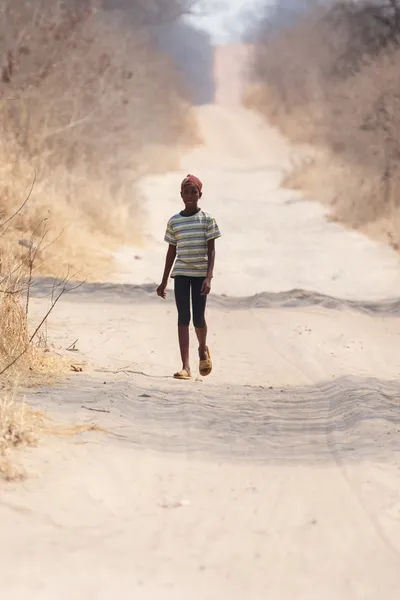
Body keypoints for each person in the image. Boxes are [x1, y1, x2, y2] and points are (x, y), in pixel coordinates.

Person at [157, 174, 221, 380]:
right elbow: (171, 252)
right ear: (181, 195)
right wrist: (164, 280)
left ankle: (202, 349)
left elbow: (211, 250)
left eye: (194, 192)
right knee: (183, 317)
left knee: (198, 318)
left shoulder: (207, 220)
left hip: (200, 275)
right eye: (186, 192)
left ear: (200, 194)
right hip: (182, 274)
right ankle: (186, 367)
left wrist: (209, 277)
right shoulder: (174, 222)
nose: (190, 195)